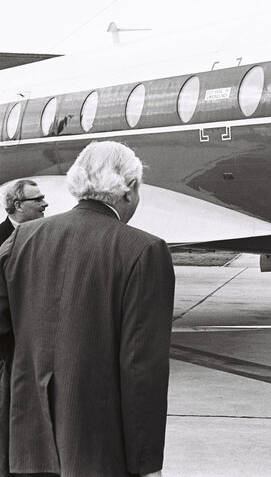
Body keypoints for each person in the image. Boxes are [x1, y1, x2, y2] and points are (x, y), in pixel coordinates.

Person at [0, 141, 175, 477]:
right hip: (97, 448)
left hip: (27, 440)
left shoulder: (20, 239)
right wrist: (146, 461)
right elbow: (142, 369)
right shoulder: (144, 250)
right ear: (129, 190)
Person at [0, 179, 48, 244]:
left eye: (42, 199)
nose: (45, 204)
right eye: (38, 200)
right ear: (18, 206)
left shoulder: (48, 231)